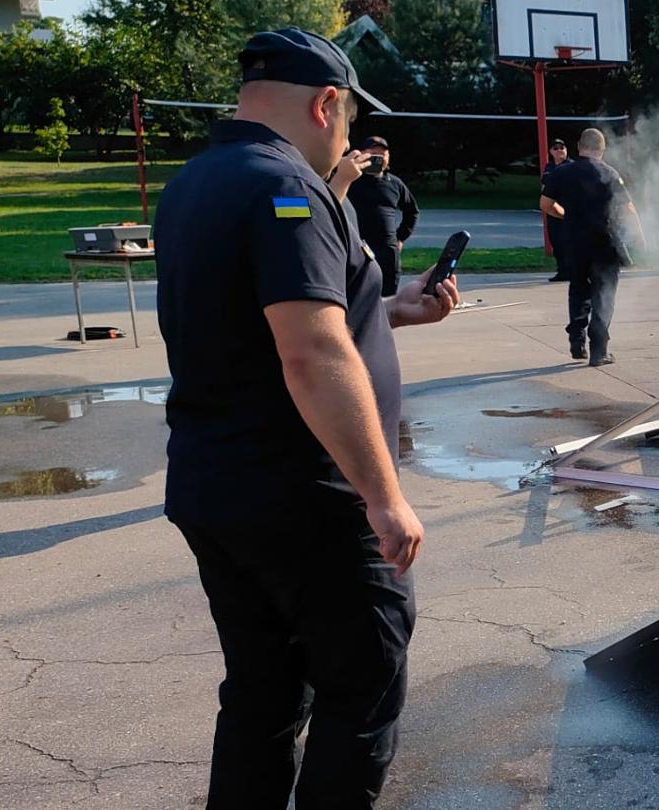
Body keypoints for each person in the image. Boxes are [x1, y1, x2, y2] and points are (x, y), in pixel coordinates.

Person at [152, 27, 460, 809]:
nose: (347, 140)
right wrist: (384, 496)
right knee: (362, 689)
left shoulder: (199, 179)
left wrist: (392, 310)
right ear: (327, 104)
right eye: (350, 121)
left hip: (215, 484)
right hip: (304, 496)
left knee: (263, 694)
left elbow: (269, 318)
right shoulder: (287, 188)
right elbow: (312, 356)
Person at [540, 127, 644, 366]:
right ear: (602, 149)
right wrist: (639, 235)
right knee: (604, 296)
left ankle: (577, 341)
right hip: (604, 243)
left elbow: (545, 203)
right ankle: (599, 350)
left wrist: (564, 214)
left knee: (578, 290)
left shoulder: (562, 172)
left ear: (579, 146)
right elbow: (627, 208)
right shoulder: (609, 173)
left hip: (574, 243)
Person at [345, 135, 420, 296]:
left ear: (388, 157)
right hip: (357, 249)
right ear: (362, 154)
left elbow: (412, 211)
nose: (378, 158)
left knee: (387, 298)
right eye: (374, 154)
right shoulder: (349, 180)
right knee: (356, 296)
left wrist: (400, 237)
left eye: (383, 155)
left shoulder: (394, 183)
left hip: (387, 251)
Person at [543, 138, 571, 283]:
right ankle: (562, 271)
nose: (559, 150)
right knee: (556, 242)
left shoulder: (572, 166)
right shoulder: (549, 168)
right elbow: (544, 186)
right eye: (556, 148)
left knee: (570, 242)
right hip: (553, 210)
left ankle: (574, 270)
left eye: (562, 147)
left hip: (568, 210)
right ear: (551, 151)